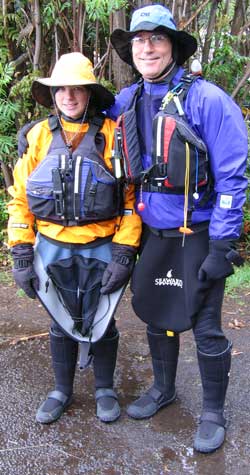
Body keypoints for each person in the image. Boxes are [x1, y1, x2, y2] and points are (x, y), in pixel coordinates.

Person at [108, 4, 248, 453]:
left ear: (172, 46)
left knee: (205, 324)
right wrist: (46, 130)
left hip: (199, 233)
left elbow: (233, 175)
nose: (147, 47)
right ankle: (163, 389)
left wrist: (223, 243)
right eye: (139, 40)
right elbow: (87, 117)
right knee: (154, 314)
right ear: (131, 50)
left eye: (156, 39)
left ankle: (212, 411)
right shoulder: (127, 100)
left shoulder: (206, 99)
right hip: (151, 232)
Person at [7, 52, 141, 425]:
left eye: (76, 89)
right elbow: (20, 199)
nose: (68, 95)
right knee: (59, 319)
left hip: (101, 246)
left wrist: (124, 252)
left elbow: (130, 201)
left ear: (89, 93)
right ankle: (61, 390)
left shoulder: (111, 134)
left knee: (104, 318)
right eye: (61, 89)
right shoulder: (37, 136)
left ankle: (104, 389)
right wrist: (20, 252)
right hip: (51, 246)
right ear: (53, 95)